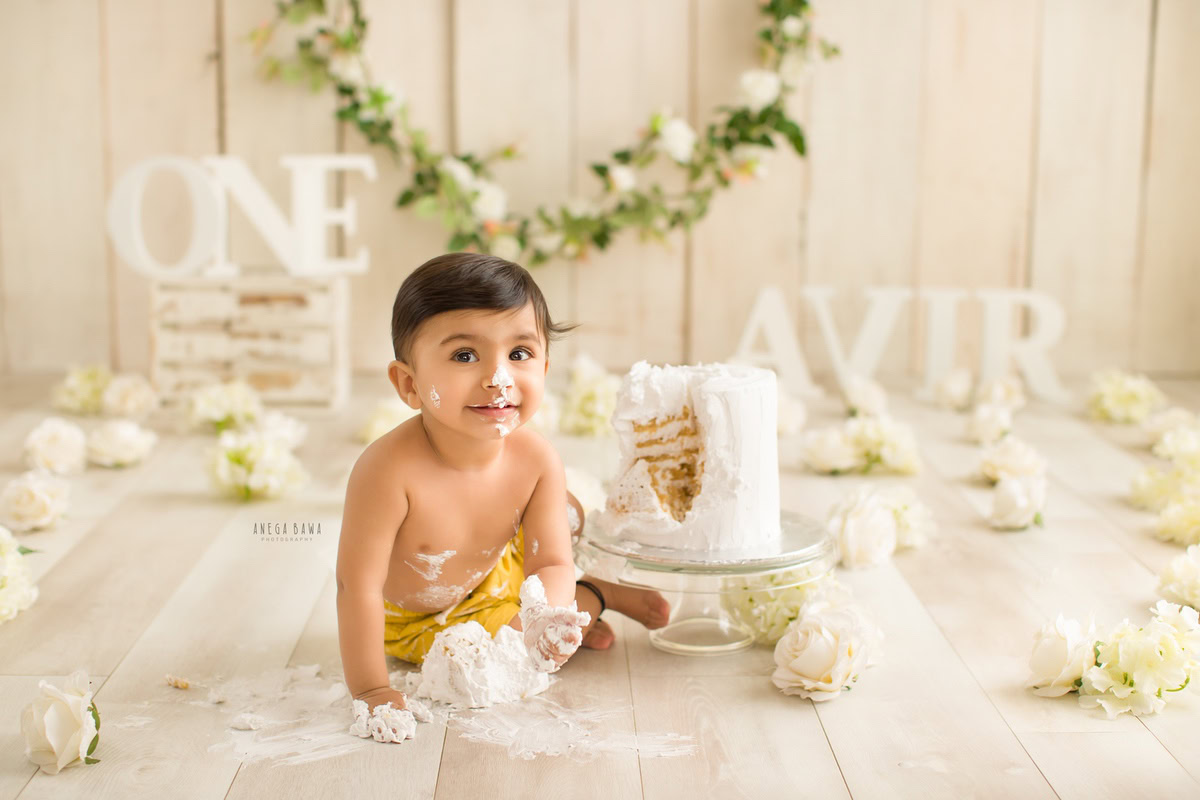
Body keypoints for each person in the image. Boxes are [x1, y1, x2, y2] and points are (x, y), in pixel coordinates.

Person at [336, 252, 671, 711]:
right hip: (421, 617)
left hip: (498, 564)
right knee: (488, 660)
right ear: (409, 385)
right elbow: (359, 588)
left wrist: (541, 620)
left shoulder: (534, 458)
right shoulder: (387, 471)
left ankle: (579, 601)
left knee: (564, 526)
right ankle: (597, 594)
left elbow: (551, 562)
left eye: (519, 354)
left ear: (545, 368)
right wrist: (371, 688)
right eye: (465, 355)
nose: (499, 378)